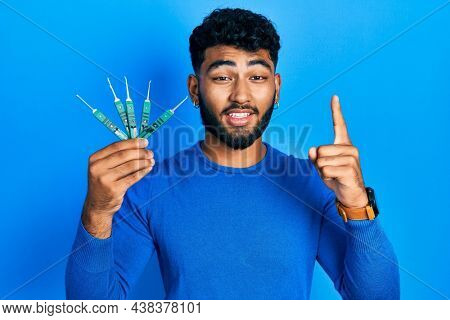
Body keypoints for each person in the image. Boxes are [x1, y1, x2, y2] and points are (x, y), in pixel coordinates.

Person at [65, 8, 400, 299]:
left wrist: (357, 203)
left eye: (257, 76)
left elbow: (377, 303)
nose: (241, 95)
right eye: (223, 76)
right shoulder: (148, 187)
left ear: (276, 88)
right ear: (195, 89)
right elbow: (93, 308)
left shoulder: (314, 185)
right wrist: (96, 211)